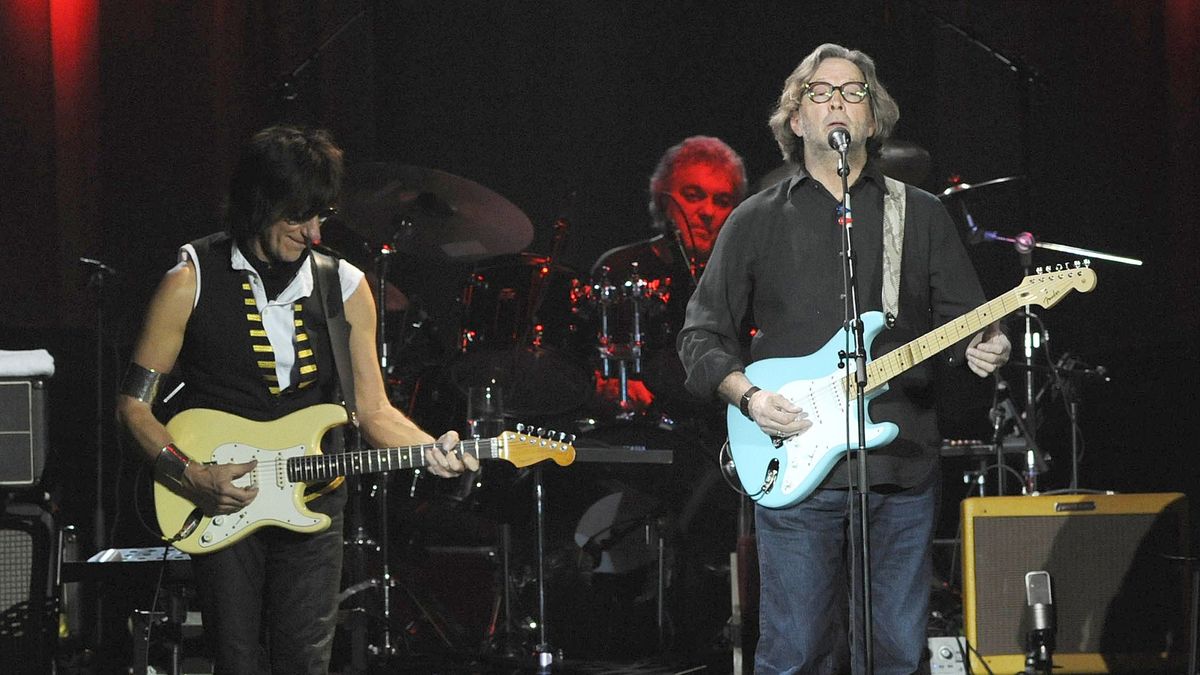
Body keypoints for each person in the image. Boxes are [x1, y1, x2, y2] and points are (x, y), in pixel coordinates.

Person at [676, 44, 1011, 674]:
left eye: (853, 92)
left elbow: (970, 322)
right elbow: (700, 335)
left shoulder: (922, 214)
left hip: (900, 465)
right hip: (794, 462)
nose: (837, 101)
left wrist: (984, 345)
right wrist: (749, 397)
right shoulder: (755, 220)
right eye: (820, 92)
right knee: (797, 652)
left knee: (894, 653)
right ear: (796, 120)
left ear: (873, 118)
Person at [115, 125, 478, 674]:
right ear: (258, 203)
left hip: (314, 500)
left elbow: (372, 409)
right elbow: (133, 407)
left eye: (321, 216)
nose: (312, 232)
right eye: (296, 216)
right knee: (236, 661)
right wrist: (188, 474)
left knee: (303, 664)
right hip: (222, 496)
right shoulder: (189, 280)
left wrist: (432, 449)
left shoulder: (346, 287)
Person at [589, 135, 748, 412]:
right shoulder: (617, 267)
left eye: (722, 200)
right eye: (693, 196)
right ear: (663, 198)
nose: (708, 211)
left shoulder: (743, 275)